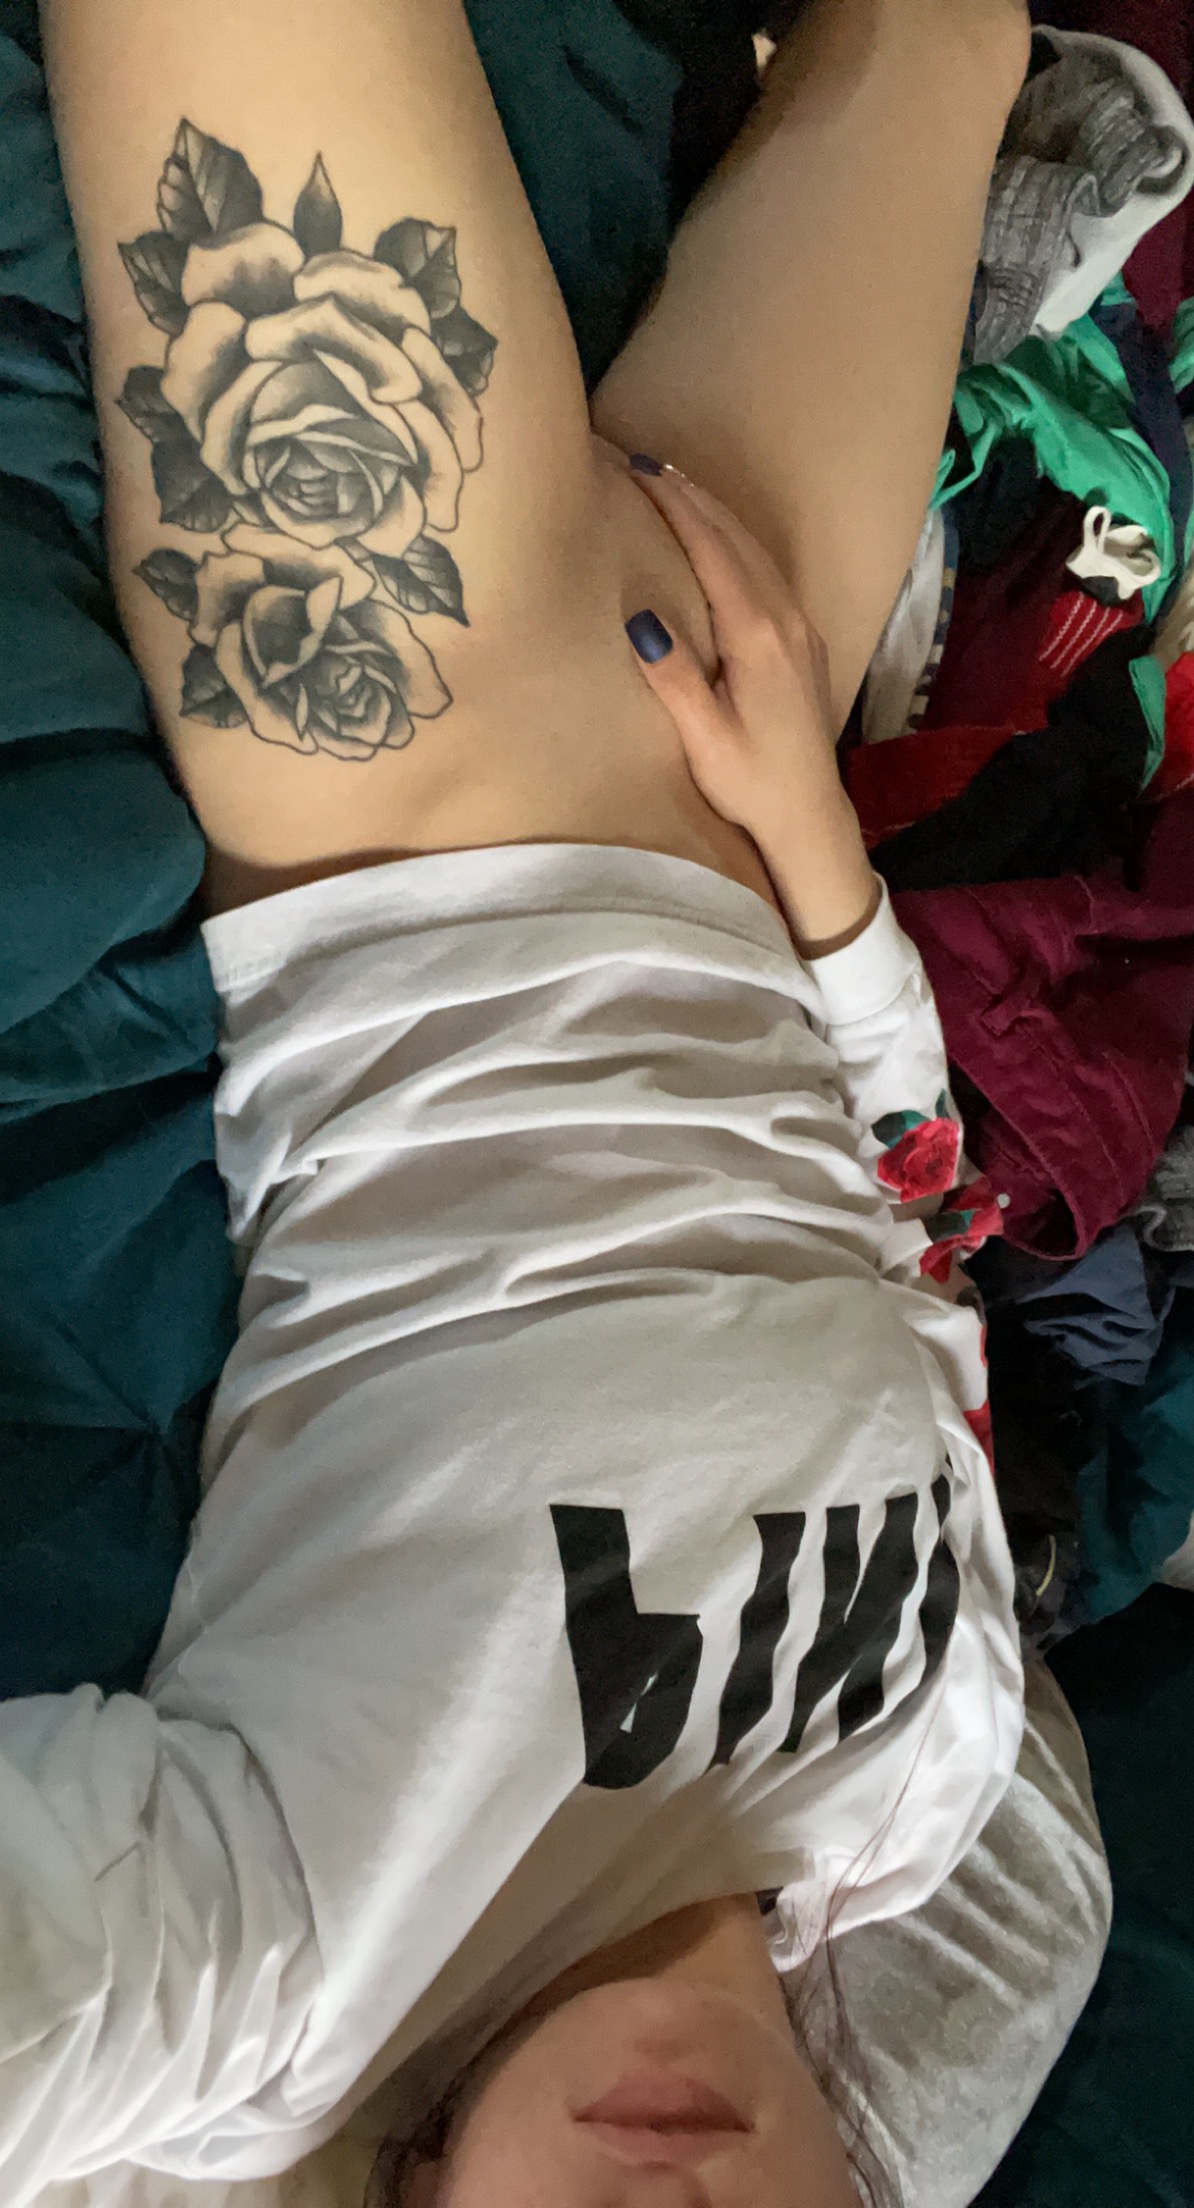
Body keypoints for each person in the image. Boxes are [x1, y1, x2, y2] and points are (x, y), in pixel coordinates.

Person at [4, 3, 1033, 2204]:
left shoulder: (287, 1983)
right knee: (949, 35)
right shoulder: (930, 1812)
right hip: (751, 757)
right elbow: (923, 1299)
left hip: (398, 736)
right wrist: (833, 890)